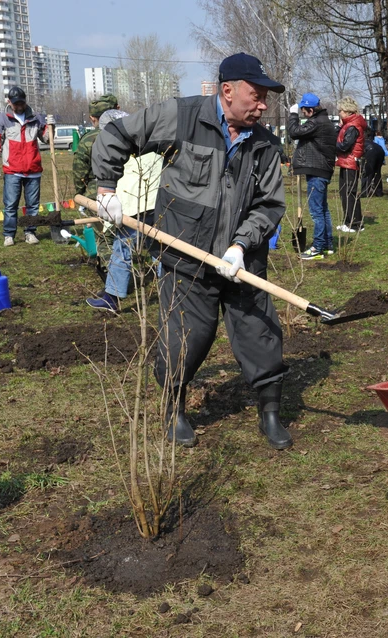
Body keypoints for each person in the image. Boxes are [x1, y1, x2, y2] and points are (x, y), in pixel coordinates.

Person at [91, 52, 291, 450]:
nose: (263, 104)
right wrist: (106, 189)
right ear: (228, 90)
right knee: (185, 339)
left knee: (261, 336)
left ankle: (270, 411)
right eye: (257, 94)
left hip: (242, 263)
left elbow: (270, 204)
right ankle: (174, 409)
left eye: (267, 97)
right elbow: (116, 136)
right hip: (186, 256)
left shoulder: (265, 144)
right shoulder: (180, 117)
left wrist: (240, 244)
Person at [77, 104, 164, 312]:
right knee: (157, 248)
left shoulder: (118, 150)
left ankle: (112, 297)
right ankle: (173, 290)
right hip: (159, 202)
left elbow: (122, 186)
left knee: (121, 249)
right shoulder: (149, 142)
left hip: (136, 207)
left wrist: (108, 216)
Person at [0, 86, 54, 247]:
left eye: (21, 103)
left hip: (33, 170)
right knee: (11, 205)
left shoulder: (36, 118)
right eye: (16, 103)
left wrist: (51, 127)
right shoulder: (3, 119)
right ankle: (9, 235)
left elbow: (46, 139)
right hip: (13, 170)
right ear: (9, 102)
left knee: (33, 205)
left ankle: (30, 232)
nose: (19, 106)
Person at [287, 92, 337, 260]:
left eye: (303, 110)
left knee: (316, 212)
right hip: (321, 169)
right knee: (323, 210)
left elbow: (294, 132)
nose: (302, 113)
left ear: (309, 109)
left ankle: (317, 247)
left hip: (317, 170)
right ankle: (327, 244)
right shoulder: (324, 121)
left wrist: (292, 115)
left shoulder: (317, 122)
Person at [335, 97, 366, 233]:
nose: (339, 113)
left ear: (347, 111)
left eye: (341, 111)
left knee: (349, 193)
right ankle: (349, 221)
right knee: (345, 192)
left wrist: (333, 145)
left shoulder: (353, 126)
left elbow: (345, 146)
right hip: (346, 162)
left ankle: (354, 223)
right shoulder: (348, 125)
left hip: (350, 162)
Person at [361, 129, 386, 197]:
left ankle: (365, 192)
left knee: (367, 172)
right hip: (380, 150)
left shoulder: (361, 141)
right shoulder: (370, 141)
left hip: (371, 151)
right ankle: (379, 192)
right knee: (377, 172)